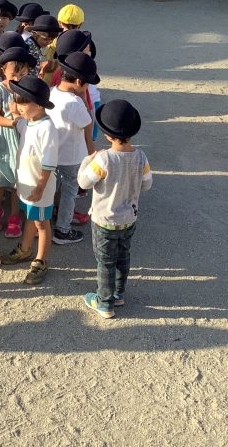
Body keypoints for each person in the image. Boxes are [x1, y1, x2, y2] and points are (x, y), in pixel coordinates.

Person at [78, 100, 153, 319]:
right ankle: (119, 293)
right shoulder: (141, 157)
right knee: (123, 257)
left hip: (104, 221)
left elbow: (84, 182)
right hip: (129, 218)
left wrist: (87, 160)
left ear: (107, 135)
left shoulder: (103, 159)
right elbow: (147, 184)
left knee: (105, 262)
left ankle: (104, 302)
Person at [1, 75, 58, 285]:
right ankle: (25, 249)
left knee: (42, 223)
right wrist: (15, 113)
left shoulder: (47, 129)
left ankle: (41, 260)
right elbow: (18, 123)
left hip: (39, 187)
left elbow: (49, 163)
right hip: (26, 184)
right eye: (17, 100)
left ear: (39, 104)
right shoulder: (28, 122)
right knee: (31, 218)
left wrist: (40, 187)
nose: (19, 105)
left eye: (23, 102)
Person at [49, 52, 97, 245]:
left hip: (52, 154)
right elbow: (88, 127)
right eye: (86, 85)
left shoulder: (51, 92)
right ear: (78, 82)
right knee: (69, 192)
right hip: (72, 157)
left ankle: (51, 218)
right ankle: (63, 230)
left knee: (54, 190)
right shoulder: (75, 103)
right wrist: (92, 155)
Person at [0, 45, 37, 239]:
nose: (17, 78)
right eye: (13, 74)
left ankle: (14, 215)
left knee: (19, 179)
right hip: (1, 140)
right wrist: (13, 121)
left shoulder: (28, 90)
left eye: (22, 74)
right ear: (3, 71)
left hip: (22, 141)